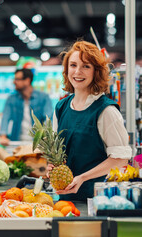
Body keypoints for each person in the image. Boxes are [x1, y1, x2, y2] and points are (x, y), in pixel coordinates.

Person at [50, 40, 132, 201]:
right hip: (64, 199)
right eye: (73, 65)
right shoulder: (61, 107)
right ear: (66, 70)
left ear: (96, 72)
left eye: (86, 66)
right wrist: (52, 167)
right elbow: (57, 150)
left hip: (97, 199)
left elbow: (121, 158)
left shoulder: (106, 110)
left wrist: (82, 177)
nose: (77, 72)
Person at [0, 68, 53, 145]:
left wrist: (47, 137)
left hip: (38, 143)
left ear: (27, 81)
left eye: (17, 79)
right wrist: (3, 136)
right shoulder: (11, 99)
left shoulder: (43, 97)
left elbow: (48, 119)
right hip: (16, 142)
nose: (14, 82)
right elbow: (5, 117)